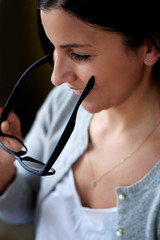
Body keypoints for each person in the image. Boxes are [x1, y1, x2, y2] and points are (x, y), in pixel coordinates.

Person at [0, 0, 160, 239]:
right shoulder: (62, 104)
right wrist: (4, 167)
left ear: (149, 47)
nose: (56, 78)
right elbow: (23, 209)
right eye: (53, 47)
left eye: (78, 54)